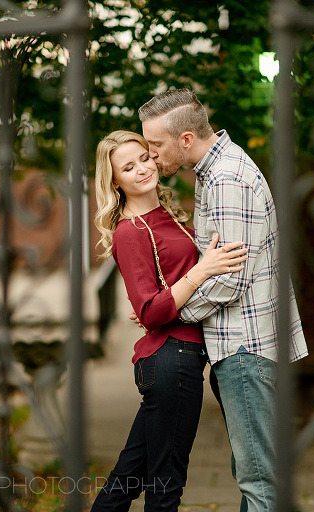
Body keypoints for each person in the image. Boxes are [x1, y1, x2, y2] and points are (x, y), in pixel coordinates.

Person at [137, 88, 309, 512]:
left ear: (186, 140)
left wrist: (168, 312)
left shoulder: (228, 179)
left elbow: (227, 282)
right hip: (244, 346)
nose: (152, 157)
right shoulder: (214, 173)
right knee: (254, 474)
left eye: (155, 146)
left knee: (259, 481)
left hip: (245, 349)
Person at [91, 130, 249, 511]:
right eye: (128, 167)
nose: (143, 169)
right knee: (166, 484)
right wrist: (203, 271)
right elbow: (151, 312)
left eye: (144, 158)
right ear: (115, 182)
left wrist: (165, 297)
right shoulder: (131, 230)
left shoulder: (163, 214)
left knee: (128, 477)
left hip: (176, 357)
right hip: (171, 361)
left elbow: (155, 298)